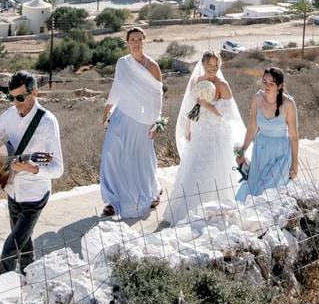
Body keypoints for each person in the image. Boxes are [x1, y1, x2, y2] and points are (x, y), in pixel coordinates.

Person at [0, 70, 63, 274]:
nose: (15, 103)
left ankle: (2, 287)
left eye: (20, 97)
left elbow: (58, 168)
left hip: (34, 196)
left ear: (34, 92)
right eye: (11, 97)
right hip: (12, 191)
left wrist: (34, 168)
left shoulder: (47, 122)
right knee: (23, 243)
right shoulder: (10, 114)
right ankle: (30, 275)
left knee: (11, 247)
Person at [164, 51, 246, 225]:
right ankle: (189, 212)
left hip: (217, 133)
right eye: (209, 65)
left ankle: (218, 211)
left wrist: (208, 106)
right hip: (200, 131)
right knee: (194, 168)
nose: (212, 69)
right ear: (202, 64)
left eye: (216, 65)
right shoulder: (196, 81)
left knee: (213, 168)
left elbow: (228, 115)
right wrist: (189, 127)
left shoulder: (222, 85)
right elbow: (194, 107)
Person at [100, 27, 163, 218]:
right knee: (111, 152)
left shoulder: (152, 66)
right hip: (121, 115)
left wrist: (157, 123)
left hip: (143, 120)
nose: (135, 42)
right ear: (127, 42)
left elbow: (157, 97)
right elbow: (117, 87)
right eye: (132, 39)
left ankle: (151, 191)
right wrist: (107, 108)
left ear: (144, 41)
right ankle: (113, 199)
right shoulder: (122, 63)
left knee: (140, 158)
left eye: (139, 39)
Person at [235, 67, 299, 204]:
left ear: (280, 86)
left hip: (281, 153)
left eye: (271, 84)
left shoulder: (289, 104)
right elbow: (252, 126)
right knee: (256, 189)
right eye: (264, 82)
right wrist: (242, 151)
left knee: (272, 190)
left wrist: (295, 163)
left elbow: (294, 136)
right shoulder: (257, 98)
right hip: (261, 150)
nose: (267, 86)